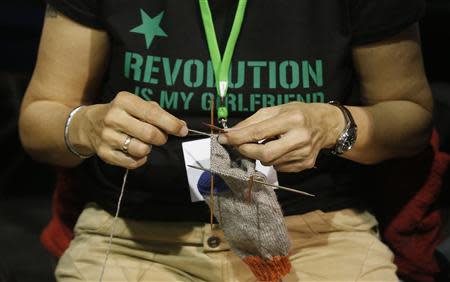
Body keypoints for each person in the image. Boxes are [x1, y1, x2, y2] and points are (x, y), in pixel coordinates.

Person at [19, 0, 433, 281]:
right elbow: (39, 122)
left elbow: (411, 117)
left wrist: (334, 124)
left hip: (314, 235)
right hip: (135, 239)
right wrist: (86, 125)